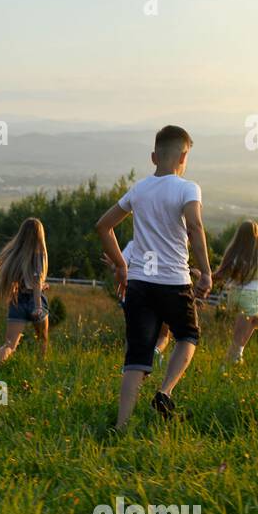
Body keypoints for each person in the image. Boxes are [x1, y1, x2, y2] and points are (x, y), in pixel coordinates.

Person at [95, 125, 212, 427]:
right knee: (188, 336)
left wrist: (122, 265)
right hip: (175, 282)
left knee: (137, 354)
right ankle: (165, 391)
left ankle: (120, 426)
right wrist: (206, 272)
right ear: (183, 157)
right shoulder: (188, 188)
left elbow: (103, 226)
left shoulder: (139, 190)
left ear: (153, 157)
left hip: (139, 284)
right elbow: (195, 228)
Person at [212, 220, 258, 364]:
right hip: (249, 296)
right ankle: (231, 361)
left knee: (255, 319)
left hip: (234, 294)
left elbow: (220, 274)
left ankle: (237, 355)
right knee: (240, 333)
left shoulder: (233, 251)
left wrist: (204, 276)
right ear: (257, 236)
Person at [0, 217, 50, 365]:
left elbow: (22, 280)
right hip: (35, 300)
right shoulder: (40, 254)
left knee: (9, 345)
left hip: (17, 300)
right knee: (42, 340)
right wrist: (38, 306)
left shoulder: (16, 254)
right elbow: (37, 281)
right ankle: (40, 370)